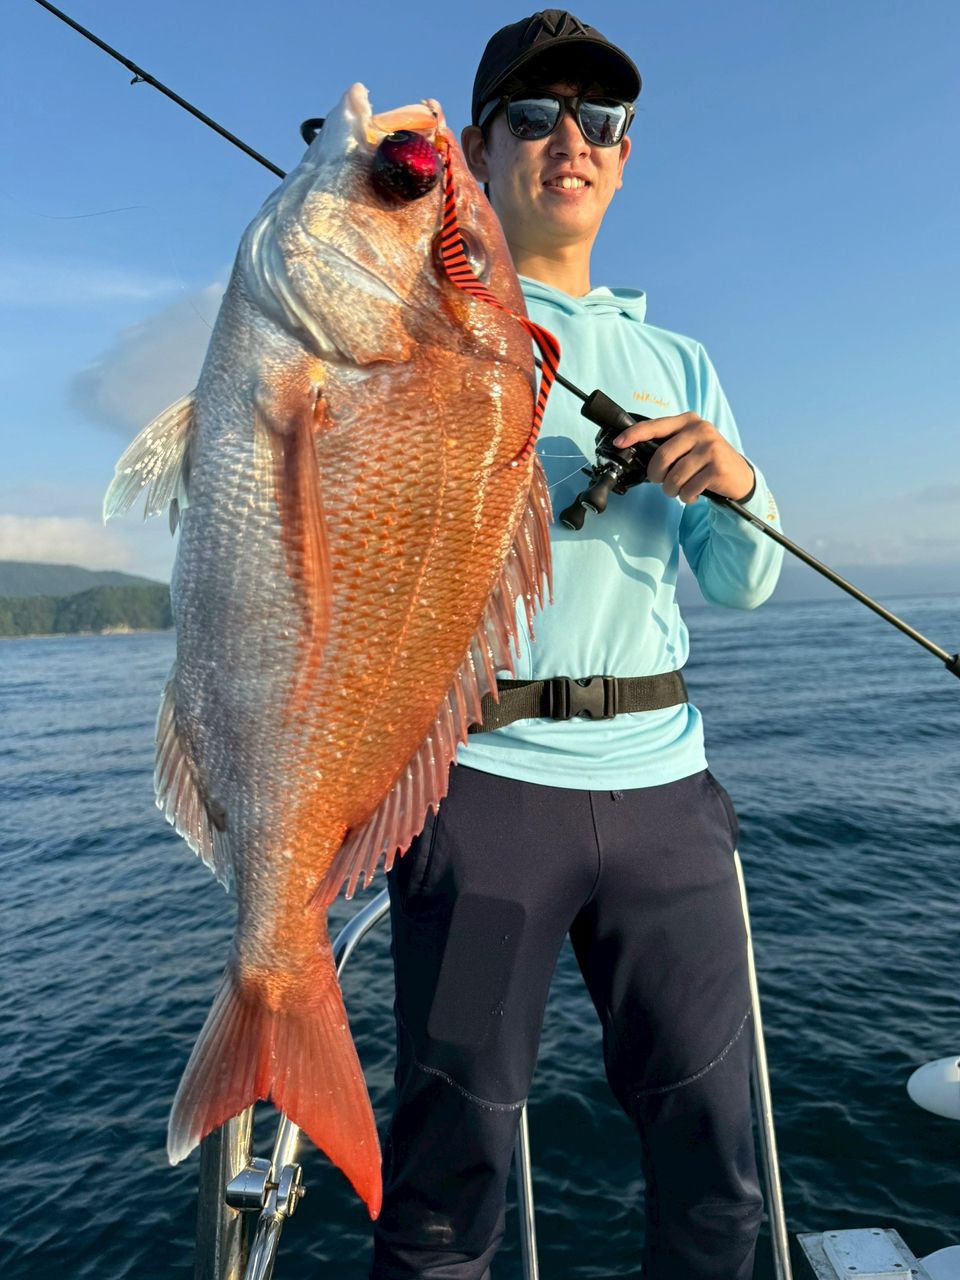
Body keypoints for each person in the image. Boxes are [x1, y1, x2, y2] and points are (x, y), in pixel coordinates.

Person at [371, 11, 784, 1279]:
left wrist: (735, 480)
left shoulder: (678, 357)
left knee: (718, 1157)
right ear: (481, 145)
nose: (572, 139)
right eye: (537, 115)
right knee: (449, 1174)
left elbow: (745, 582)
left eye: (599, 119)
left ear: (623, 154)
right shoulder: (421, 324)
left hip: (665, 798)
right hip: (486, 798)